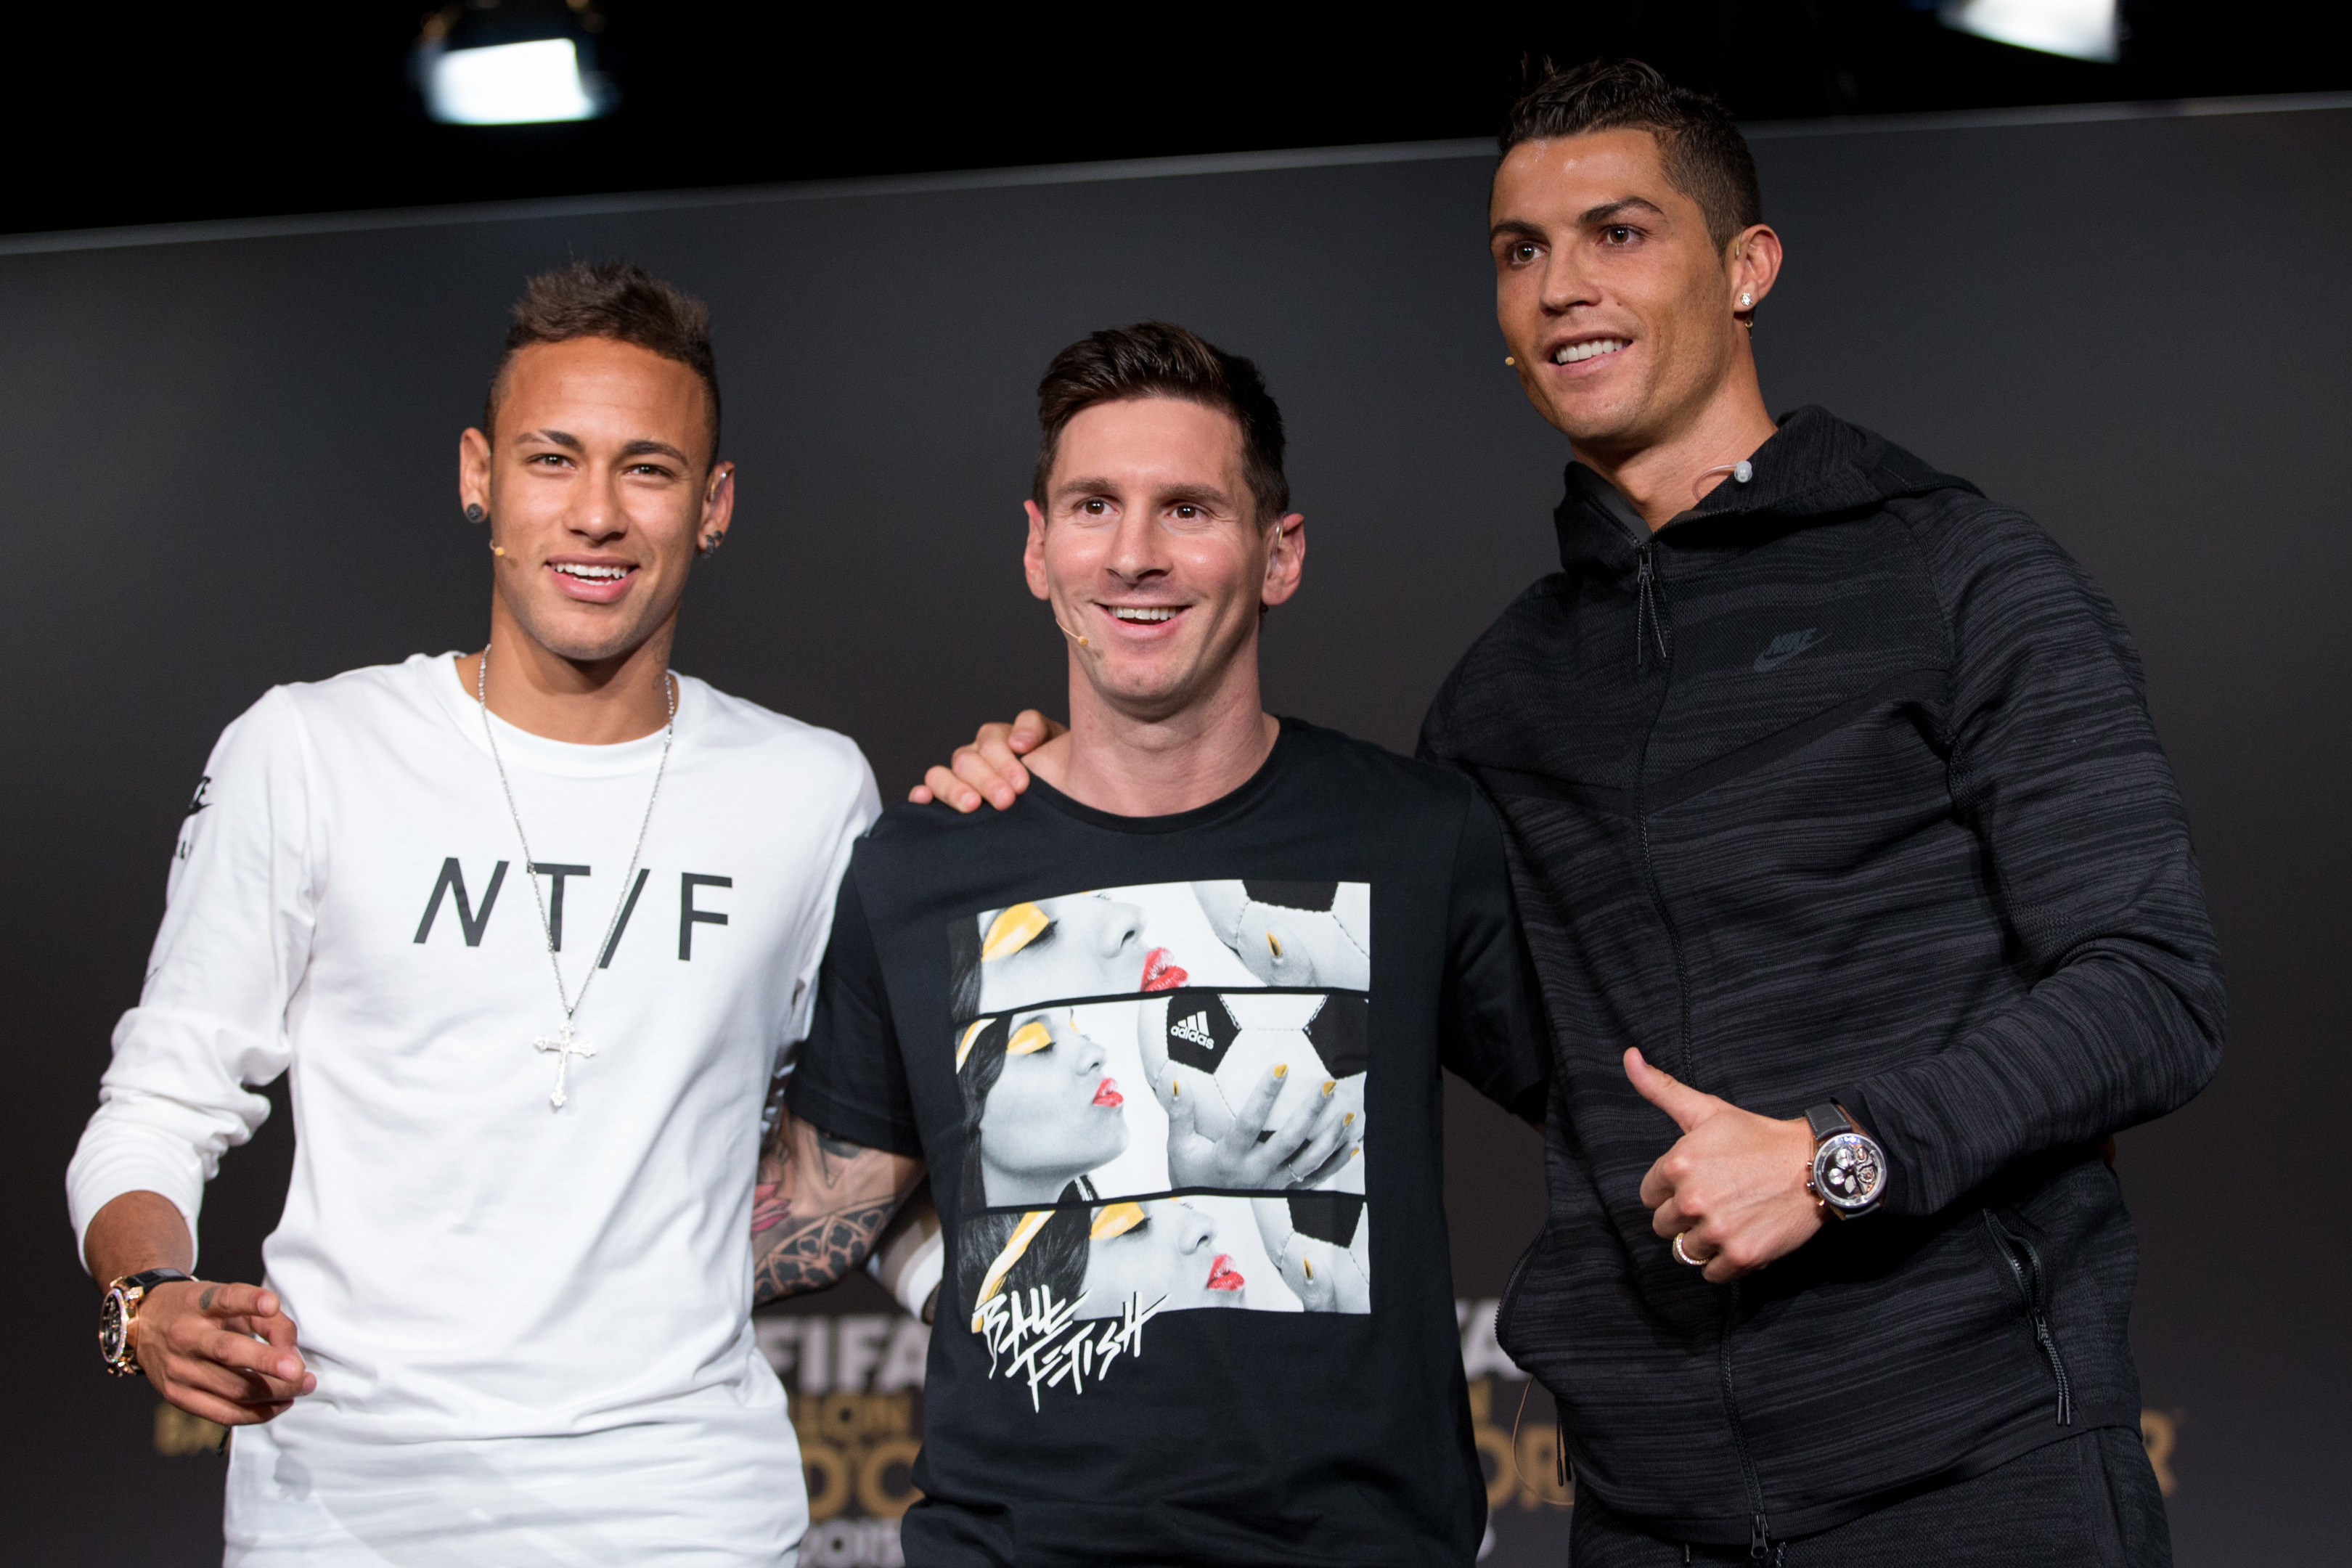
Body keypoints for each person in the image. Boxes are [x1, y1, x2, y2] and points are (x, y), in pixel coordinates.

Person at [922, 61, 2224, 1567]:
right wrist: (1037, 788)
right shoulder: (1498, 700)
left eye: (1618, 234)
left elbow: (2154, 989)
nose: (1559, 289)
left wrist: (1836, 1152)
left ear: (1748, 267)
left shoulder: (1959, 577)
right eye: (1519, 251)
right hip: (1648, 1507)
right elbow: (1447, 1015)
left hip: (1977, 1473)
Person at [66, 261, 878, 1565]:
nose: (598, 515)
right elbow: (161, 1100)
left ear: (714, 505)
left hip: (686, 1510)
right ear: (478, 477)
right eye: (552, 459)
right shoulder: (313, 748)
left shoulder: (811, 789)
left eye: (650, 470)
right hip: (343, 1509)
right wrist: (149, 1301)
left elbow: (848, 1158)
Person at [750, 321, 1548, 1564]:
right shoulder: (922, 869)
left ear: (1279, 555)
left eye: (1187, 509)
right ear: (1036, 548)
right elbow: (810, 1208)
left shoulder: (1418, 834)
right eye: (1092, 506)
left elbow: (1616, 1111)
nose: (1132, 554)